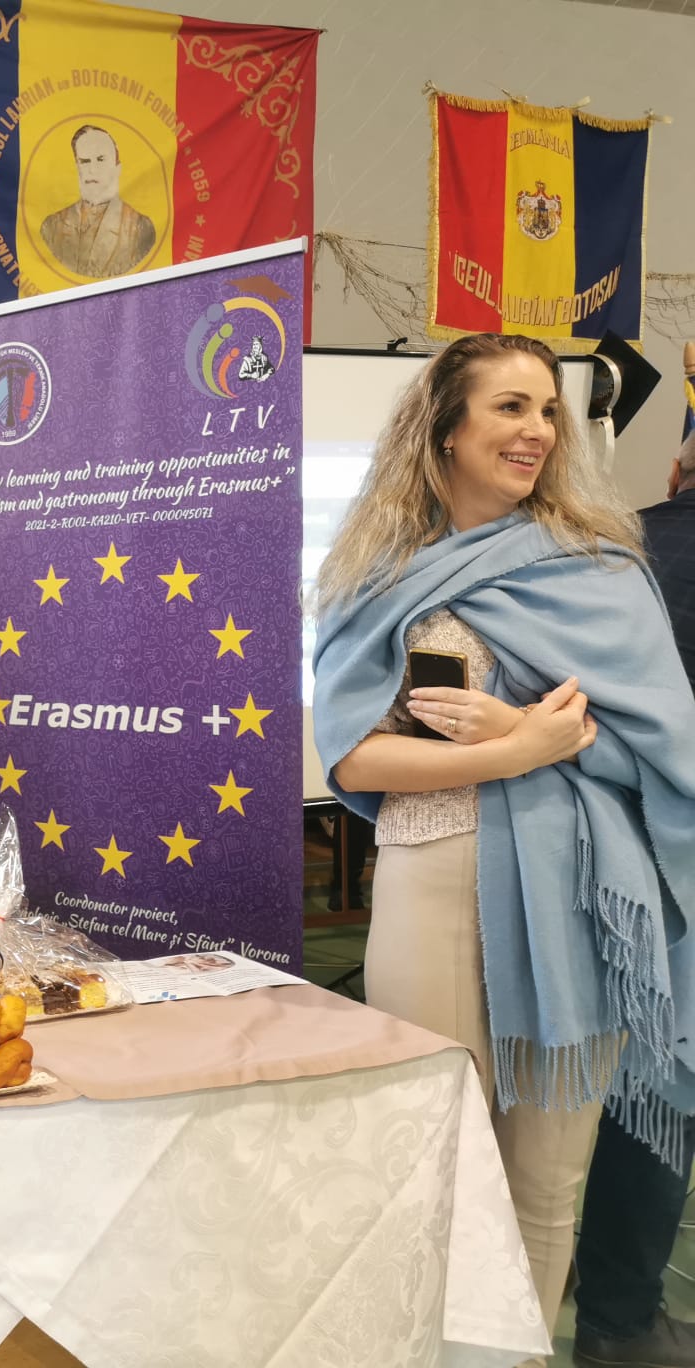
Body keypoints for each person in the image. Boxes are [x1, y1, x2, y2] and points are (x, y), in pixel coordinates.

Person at [311, 333, 695, 1366]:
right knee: (436, 1162)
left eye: (548, 412)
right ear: (446, 426)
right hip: (429, 883)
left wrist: (544, 738)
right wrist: (518, 748)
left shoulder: (601, 567)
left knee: (547, 1184)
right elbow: (353, 754)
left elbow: (667, 743)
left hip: (582, 898)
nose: (536, 432)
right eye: (510, 408)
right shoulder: (378, 573)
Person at [570, 427, 695, 1368]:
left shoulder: (612, 548)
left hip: (602, 845)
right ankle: (620, 1316)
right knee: (664, 1080)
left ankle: (596, 1293)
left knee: (628, 1074)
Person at [37, 124, 157, 280]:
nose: (92, 170)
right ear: (77, 167)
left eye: (100, 160)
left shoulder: (140, 228)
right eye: (85, 161)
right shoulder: (52, 226)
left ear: (117, 168)